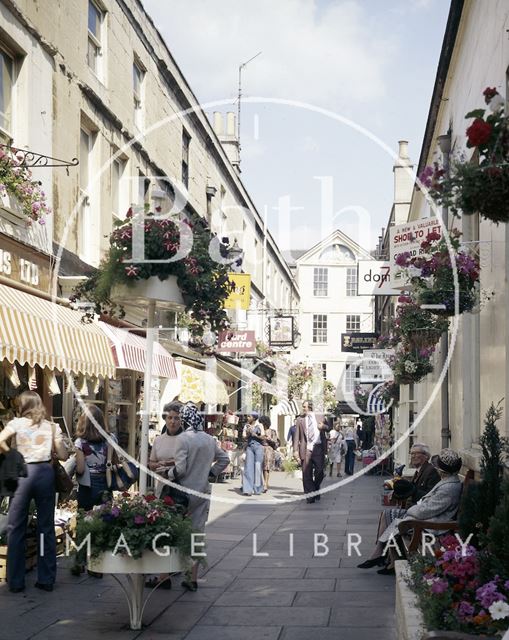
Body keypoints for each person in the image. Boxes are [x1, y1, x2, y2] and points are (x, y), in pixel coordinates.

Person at [0, 391, 68, 593]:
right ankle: (46, 579)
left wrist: (11, 453)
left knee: (16, 527)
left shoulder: (17, 423)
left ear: (23, 406)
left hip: (23, 474)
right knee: (45, 527)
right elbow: (63, 454)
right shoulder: (52, 426)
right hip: (45, 474)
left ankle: (15, 581)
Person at [358, 448, 463, 575]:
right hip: (425, 516)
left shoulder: (449, 487)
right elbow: (428, 505)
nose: (436, 468)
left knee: (396, 520)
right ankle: (384, 556)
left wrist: (411, 509)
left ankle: (382, 555)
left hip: (431, 524)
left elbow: (426, 511)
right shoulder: (447, 482)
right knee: (389, 515)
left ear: (442, 470)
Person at [167, 403, 229, 591]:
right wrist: (210, 473)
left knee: (174, 530)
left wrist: (167, 472)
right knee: (197, 533)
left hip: (183, 493)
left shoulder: (183, 439)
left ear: (184, 419)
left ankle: (172, 568)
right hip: (202, 492)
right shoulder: (209, 439)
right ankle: (192, 576)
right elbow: (225, 459)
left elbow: (180, 469)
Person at [71, 404, 113, 578]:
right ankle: (97, 564)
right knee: (101, 523)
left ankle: (80, 563)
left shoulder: (80, 443)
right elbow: (112, 461)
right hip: (105, 483)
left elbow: (80, 469)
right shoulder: (110, 438)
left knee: (83, 523)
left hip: (87, 486)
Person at [293, 400, 328, 503]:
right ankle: (310, 496)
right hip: (306, 449)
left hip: (318, 448)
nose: (303, 408)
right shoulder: (300, 419)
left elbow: (329, 427)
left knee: (320, 471)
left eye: (305, 407)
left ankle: (316, 488)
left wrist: (323, 427)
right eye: (303, 407)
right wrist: (295, 450)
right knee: (306, 474)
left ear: (310, 407)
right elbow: (296, 436)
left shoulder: (320, 416)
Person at [241, 412, 265, 496]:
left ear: (254, 418)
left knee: (258, 467)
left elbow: (263, 437)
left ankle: (257, 489)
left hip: (258, 447)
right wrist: (248, 433)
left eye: (249, 416)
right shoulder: (246, 426)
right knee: (248, 467)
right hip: (250, 447)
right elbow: (244, 437)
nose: (247, 418)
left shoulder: (260, 425)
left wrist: (254, 434)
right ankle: (248, 489)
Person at [260, 415, 278, 493]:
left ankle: (266, 484)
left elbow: (276, 443)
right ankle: (263, 483)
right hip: (260, 449)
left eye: (262, 423)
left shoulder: (272, 431)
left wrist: (270, 440)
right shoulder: (259, 430)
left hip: (268, 450)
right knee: (260, 467)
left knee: (266, 468)